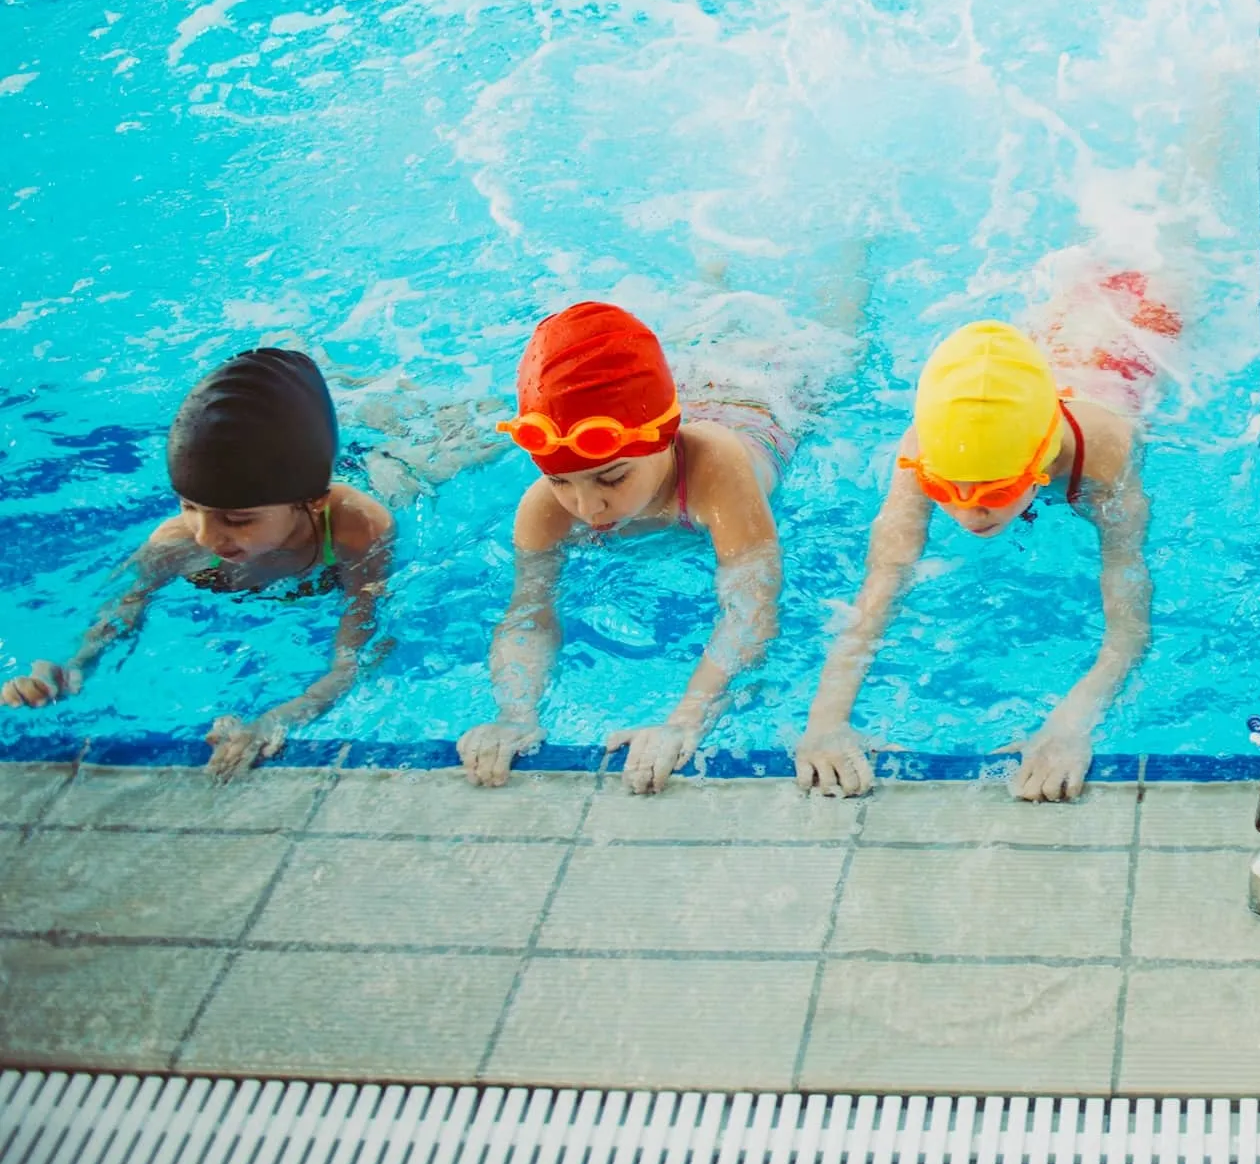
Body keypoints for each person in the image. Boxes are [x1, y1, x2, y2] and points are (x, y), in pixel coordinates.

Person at [796, 261, 1175, 802]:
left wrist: (1071, 723)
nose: (968, 512)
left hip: (1131, 345)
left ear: (1042, 463)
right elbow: (880, 585)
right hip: (1048, 362)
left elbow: (1129, 620)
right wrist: (826, 720)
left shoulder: (1105, 458)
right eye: (945, 487)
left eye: (995, 491)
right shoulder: (926, 445)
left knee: (1161, 261)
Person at [1, 349, 393, 779]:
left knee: (447, 450)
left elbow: (355, 656)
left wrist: (278, 719)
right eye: (190, 506)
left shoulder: (358, 530)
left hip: (379, 470)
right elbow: (118, 613)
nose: (206, 536)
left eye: (237, 519)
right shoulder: (176, 542)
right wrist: (73, 664)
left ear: (313, 504)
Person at [458, 301, 797, 794]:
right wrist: (515, 714)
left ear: (663, 441)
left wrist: (686, 719)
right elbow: (528, 615)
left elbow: (752, 608)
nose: (588, 506)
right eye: (560, 482)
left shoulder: (715, 470)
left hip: (760, 399)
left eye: (612, 478)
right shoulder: (543, 509)